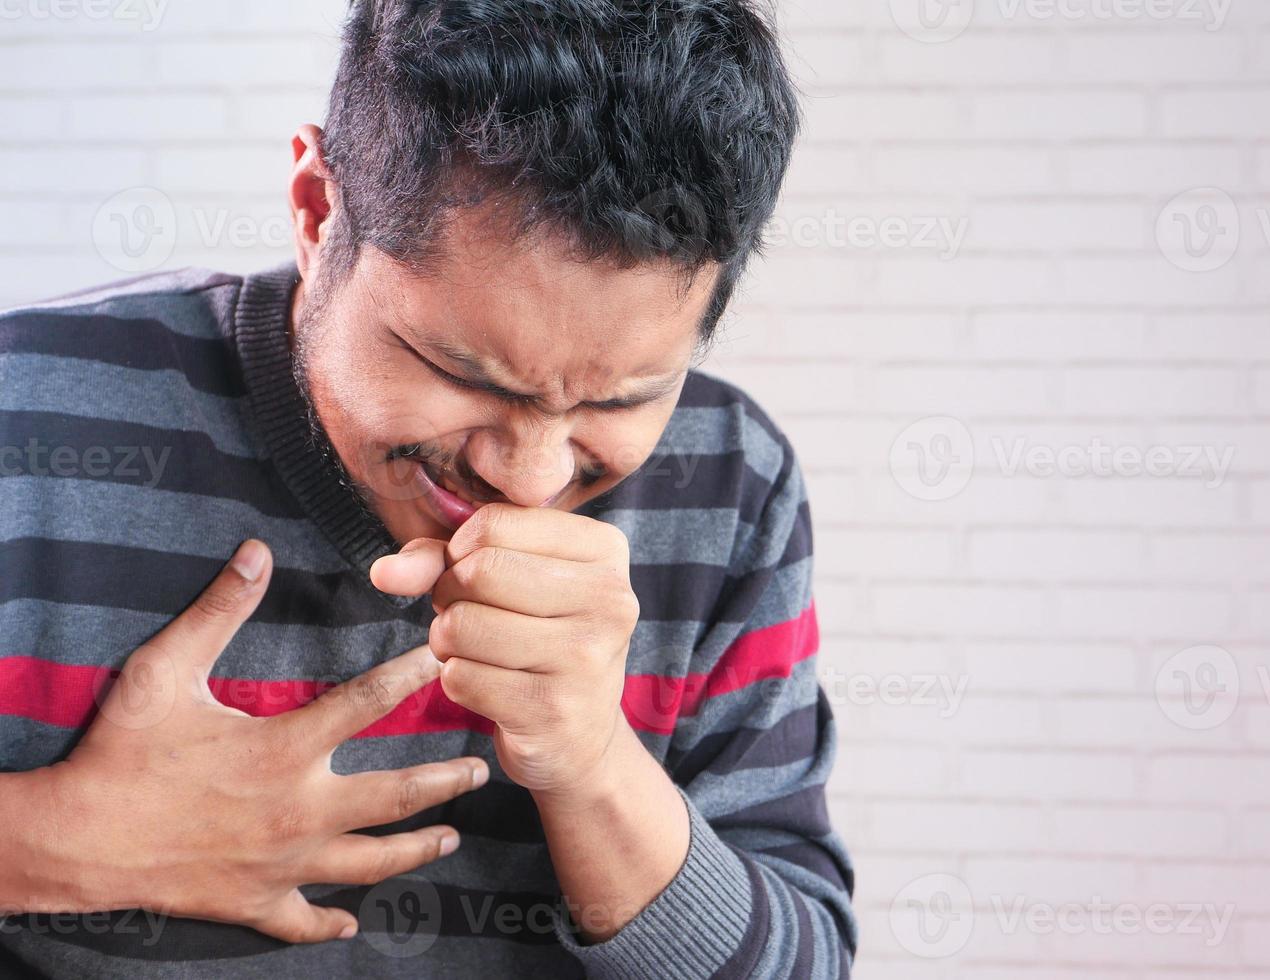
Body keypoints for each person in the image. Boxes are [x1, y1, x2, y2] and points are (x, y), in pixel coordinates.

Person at [0, 1, 856, 976]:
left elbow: (801, 961)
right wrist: (49, 843)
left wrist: (589, 762)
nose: (528, 478)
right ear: (319, 210)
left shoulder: (731, 485)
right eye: (467, 376)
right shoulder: (27, 417)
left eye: (618, 398)